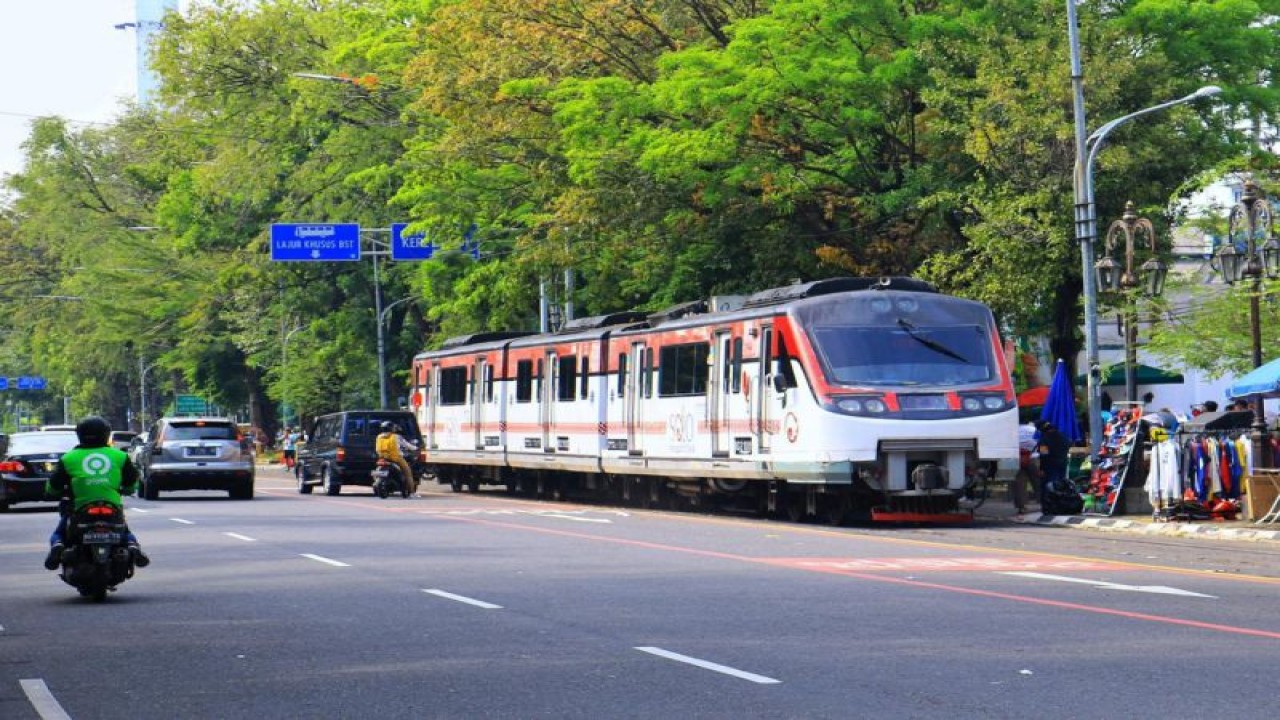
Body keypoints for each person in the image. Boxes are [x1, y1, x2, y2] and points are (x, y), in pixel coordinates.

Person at [43, 416, 149, 570]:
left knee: (60, 532)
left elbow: (54, 486)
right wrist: (128, 490)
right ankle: (133, 547)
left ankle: (57, 546)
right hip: (111, 506)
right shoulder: (119, 456)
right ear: (106, 434)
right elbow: (132, 481)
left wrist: (51, 493)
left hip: (79, 508)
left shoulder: (68, 458)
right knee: (124, 531)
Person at [1035, 419, 1071, 511]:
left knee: (1049, 486)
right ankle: (1061, 505)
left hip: (1049, 466)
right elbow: (1068, 445)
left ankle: (1049, 506)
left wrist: (1041, 468)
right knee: (1061, 485)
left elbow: (1043, 454)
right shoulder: (1063, 436)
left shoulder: (1044, 439)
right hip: (1062, 464)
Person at [375, 421, 419, 495]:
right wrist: (416, 448)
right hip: (395, 458)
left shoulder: (379, 436)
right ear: (392, 428)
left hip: (383, 457)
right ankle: (412, 492)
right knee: (408, 473)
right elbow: (407, 445)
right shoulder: (396, 437)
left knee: (377, 471)